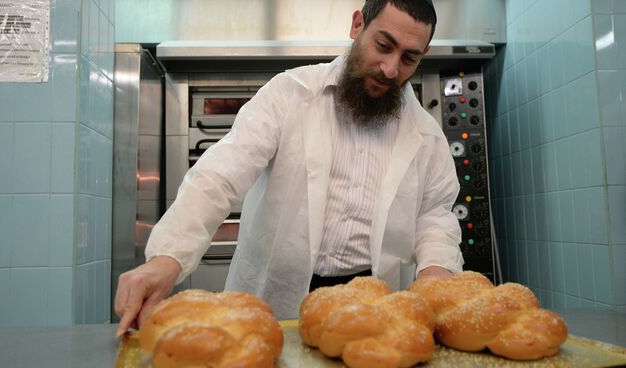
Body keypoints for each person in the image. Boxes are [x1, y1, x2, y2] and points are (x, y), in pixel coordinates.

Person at [114, 0, 463, 337]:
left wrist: (435, 273)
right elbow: (220, 175)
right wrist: (167, 259)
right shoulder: (290, 94)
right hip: (276, 296)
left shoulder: (426, 135)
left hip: (371, 304)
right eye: (383, 45)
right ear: (357, 25)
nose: (390, 68)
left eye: (408, 58)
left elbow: (435, 216)